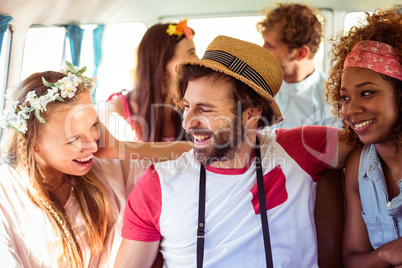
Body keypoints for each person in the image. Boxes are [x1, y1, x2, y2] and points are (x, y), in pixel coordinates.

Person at [114, 35, 353, 267]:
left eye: (205, 110)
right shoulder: (157, 186)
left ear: (252, 113)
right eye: (186, 107)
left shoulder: (297, 149)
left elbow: (373, 139)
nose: (187, 123)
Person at [0, 62, 191, 267]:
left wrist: (120, 148)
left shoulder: (104, 167)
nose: (92, 145)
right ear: (34, 145)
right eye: (74, 139)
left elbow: (191, 156)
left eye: (94, 126)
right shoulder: (6, 196)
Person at [326, 8, 402, 267]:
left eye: (367, 93)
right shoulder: (360, 165)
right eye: (345, 98)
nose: (351, 110)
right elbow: (352, 259)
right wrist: (384, 254)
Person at [103, 19, 199, 142]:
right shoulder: (117, 109)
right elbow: (113, 156)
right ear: (163, 59)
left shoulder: (192, 103)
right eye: (191, 53)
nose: (197, 59)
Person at [257, 3, 336, 128]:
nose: (262, 50)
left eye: (270, 45)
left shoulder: (332, 100)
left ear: (301, 53)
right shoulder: (259, 88)